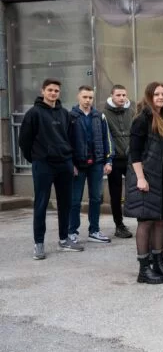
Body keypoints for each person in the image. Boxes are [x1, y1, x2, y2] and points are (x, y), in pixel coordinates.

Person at [20, 78, 82, 259]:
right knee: (41, 204)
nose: (53, 93)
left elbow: (70, 139)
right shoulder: (33, 113)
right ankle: (38, 244)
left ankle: (64, 240)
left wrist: (71, 162)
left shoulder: (64, 114)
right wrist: (35, 158)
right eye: (50, 90)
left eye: (56, 90)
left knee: (66, 204)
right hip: (43, 164)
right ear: (43, 91)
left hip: (64, 163)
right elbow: (24, 141)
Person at [124, 82, 163, 284]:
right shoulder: (141, 119)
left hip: (161, 179)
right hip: (145, 177)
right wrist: (140, 178)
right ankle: (143, 269)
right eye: (157, 94)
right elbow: (135, 153)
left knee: (160, 220)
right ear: (149, 96)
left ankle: (157, 262)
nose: (161, 97)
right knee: (145, 221)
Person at [67, 85, 114, 245]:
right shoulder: (71, 116)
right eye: (85, 97)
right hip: (77, 165)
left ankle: (94, 230)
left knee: (95, 198)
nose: (87, 100)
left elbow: (107, 139)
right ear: (78, 97)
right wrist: (70, 163)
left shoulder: (99, 116)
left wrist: (108, 160)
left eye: (90, 97)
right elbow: (66, 142)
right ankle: (72, 232)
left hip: (97, 164)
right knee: (75, 200)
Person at [103, 84, 134, 239]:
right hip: (114, 159)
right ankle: (119, 224)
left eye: (124, 95)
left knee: (135, 190)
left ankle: (142, 220)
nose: (122, 98)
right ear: (112, 96)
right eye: (118, 95)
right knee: (115, 194)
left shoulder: (132, 111)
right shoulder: (104, 113)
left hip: (130, 158)